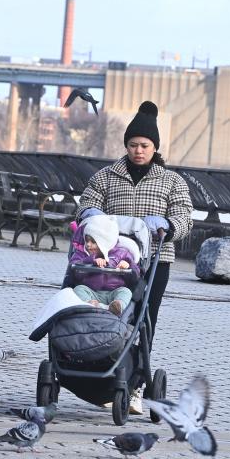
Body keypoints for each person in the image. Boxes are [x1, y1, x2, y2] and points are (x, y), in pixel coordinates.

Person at [76, 100, 193, 413]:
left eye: (144, 145)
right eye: (132, 145)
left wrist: (168, 225)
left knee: (143, 320)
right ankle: (103, 374)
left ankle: (137, 384)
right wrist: (90, 213)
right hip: (111, 261)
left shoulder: (172, 182)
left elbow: (184, 217)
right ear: (125, 145)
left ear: (155, 147)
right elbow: (87, 203)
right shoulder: (106, 177)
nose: (138, 151)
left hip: (155, 262)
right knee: (107, 314)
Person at [69, 215, 139, 317]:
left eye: (93, 241)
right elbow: (73, 268)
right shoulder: (82, 254)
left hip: (113, 292)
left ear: (105, 241)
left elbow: (135, 276)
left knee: (126, 292)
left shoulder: (122, 253)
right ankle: (92, 304)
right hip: (91, 291)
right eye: (86, 240)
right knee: (78, 289)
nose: (88, 245)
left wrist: (128, 266)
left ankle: (116, 306)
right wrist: (90, 260)